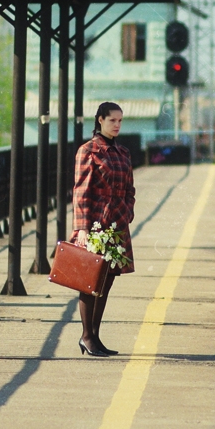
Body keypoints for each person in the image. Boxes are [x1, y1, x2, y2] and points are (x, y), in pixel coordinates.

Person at [71, 102, 135, 357]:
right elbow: (81, 192)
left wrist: (128, 211)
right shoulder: (88, 151)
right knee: (90, 281)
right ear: (100, 120)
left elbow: (130, 188)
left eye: (120, 121)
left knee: (106, 281)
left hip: (117, 224)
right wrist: (82, 229)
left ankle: (95, 337)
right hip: (96, 225)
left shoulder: (122, 152)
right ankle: (87, 336)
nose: (117, 125)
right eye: (112, 121)